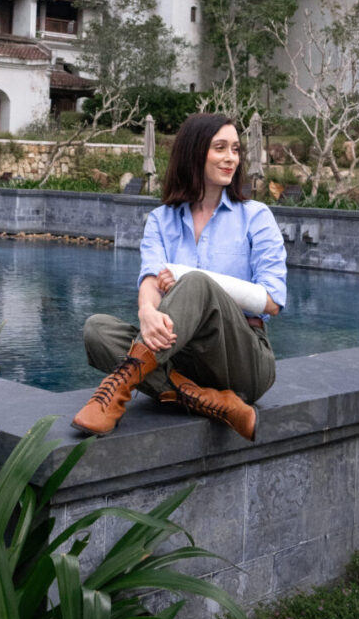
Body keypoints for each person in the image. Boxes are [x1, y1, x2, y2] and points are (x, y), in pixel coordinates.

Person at [72, 113, 286, 442]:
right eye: (220, 148)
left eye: (235, 149)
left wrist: (188, 277)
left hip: (244, 360)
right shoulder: (162, 219)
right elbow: (151, 279)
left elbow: (272, 302)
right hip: (182, 356)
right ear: (194, 152)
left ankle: (117, 390)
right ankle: (208, 401)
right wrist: (146, 312)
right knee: (96, 331)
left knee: (196, 283)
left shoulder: (256, 217)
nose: (231, 157)